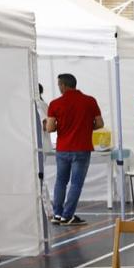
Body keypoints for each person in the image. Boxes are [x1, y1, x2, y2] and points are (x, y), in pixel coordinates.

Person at [44, 73, 103, 226]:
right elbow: (100, 123)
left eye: (59, 85)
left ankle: (57, 214)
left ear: (63, 85)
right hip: (82, 148)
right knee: (76, 183)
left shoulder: (55, 104)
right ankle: (67, 215)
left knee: (60, 181)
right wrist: (85, 126)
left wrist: (60, 126)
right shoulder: (90, 101)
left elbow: (50, 128)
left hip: (63, 148)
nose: (58, 88)